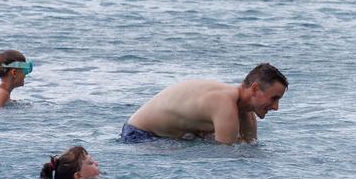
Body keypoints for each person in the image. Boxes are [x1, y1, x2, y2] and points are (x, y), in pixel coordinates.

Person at [122, 63, 289, 145]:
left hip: (166, 136)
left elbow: (250, 147)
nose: (276, 107)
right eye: (273, 98)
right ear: (255, 89)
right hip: (140, 137)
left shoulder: (246, 114)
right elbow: (225, 159)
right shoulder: (224, 104)